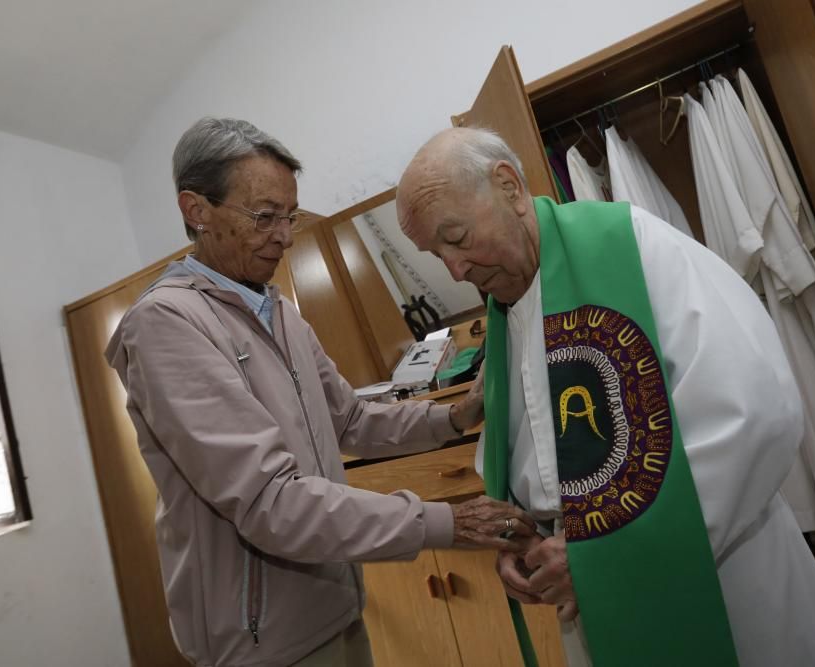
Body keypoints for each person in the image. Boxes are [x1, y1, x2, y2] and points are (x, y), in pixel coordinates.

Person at [396, 127, 815, 667]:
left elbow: (753, 410)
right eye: (436, 254)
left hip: (717, 568)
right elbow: (533, 457)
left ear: (509, 187)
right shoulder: (504, 311)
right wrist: (520, 540)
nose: (455, 270)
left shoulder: (632, 245)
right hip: (585, 592)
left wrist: (605, 553)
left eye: (456, 238)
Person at [105, 117, 536, 667]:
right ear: (197, 211)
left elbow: (350, 420)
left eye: (289, 216)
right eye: (264, 217)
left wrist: (454, 417)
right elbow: (271, 502)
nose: (283, 236)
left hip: (333, 603)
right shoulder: (167, 323)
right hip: (264, 639)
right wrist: (448, 522)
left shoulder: (276, 309)